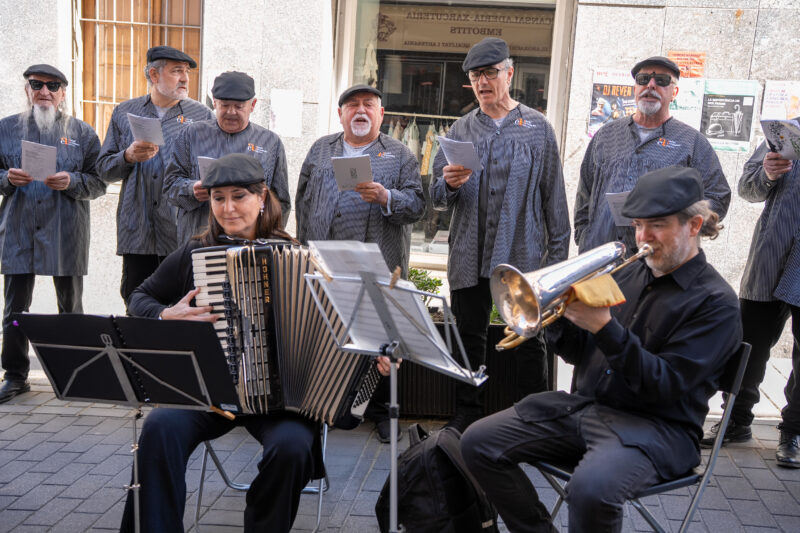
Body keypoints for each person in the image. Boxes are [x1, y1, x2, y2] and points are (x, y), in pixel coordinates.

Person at [461, 166, 742, 533]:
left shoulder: (716, 302)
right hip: (590, 410)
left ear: (694, 225)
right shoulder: (627, 274)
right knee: (477, 441)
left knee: (591, 490)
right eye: (638, 225)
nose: (644, 237)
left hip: (658, 429)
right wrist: (557, 315)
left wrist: (605, 327)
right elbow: (583, 354)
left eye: (657, 225)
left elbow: (667, 386)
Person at [120, 153, 384, 532]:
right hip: (211, 391)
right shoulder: (196, 253)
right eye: (218, 197)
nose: (227, 208)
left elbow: (348, 328)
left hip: (282, 400)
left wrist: (374, 358)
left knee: (292, 448)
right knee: (159, 427)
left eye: (238, 196)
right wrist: (166, 314)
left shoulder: (301, 257)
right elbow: (139, 296)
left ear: (262, 198)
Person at [430, 37, 570, 432]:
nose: (483, 81)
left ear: (510, 73)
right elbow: (438, 200)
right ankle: (467, 413)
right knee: (468, 339)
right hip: (469, 254)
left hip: (520, 256)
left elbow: (554, 201)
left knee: (528, 340)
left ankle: (534, 418)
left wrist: (554, 268)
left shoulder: (538, 129)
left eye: (491, 72)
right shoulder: (460, 128)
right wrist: (449, 184)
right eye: (476, 75)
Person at [296, 84, 424, 442]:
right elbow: (303, 200)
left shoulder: (399, 154)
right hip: (325, 262)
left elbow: (417, 205)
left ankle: (383, 413)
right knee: (325, 333)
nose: (360, 110)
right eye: (352, 105)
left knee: (382, 337)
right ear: (341, 115)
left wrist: (387, 196)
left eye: (369, 104)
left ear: (381, 114)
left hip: (378, 262)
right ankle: (326, 404)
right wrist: (303, 250)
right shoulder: (322, 149)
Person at [0, 64, 106, 404]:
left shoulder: (83, 133)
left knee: (70, 309)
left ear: (64, 93)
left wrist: (72, 181)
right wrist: (6, 179)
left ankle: (76, 374)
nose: (44, 91)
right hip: (19, 229)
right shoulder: (5, 130)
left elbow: (99, 181)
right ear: (27, 90)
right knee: (16, 311)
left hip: (66, 228)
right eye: (37, 84)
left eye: (53, 85)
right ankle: (15, 375)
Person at [701, 139, 800, 468]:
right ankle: (736, 419)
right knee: (749, 341)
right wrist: (768, 174)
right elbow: (747, 188)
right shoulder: (785, 134)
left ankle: (793, 431)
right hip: (773, 249)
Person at [575, 56, 731, 256]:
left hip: (658, 262)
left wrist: (676, 216)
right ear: (635, 88)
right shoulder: (606, 135)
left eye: (662, 81)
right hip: (600, 257)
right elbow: (584, 193)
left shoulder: (691, 142)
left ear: (674, 92)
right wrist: (584, 236)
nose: (651, 85)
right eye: (643, 79)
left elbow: (718, 197)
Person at [96, 45, 213, 303]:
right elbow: (103, 170)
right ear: (154, 74)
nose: (184, 78)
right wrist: (127, 156)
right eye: (177, 71)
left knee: (182, 306)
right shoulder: (124, 112)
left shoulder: (203, 116)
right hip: (137, 231)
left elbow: (210, 168)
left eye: (187, 72)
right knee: (136, 303)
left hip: (180, 233)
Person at [163, 71, 290, 246]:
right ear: (214, 102)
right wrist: (191, 189)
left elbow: (280, 201)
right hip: (200, 241)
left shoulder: (270, 143)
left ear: (252, 105)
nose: (231, 112)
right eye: (224, 105)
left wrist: (267, 240)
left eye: (239, 107)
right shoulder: (191, 135)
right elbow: (169, 187)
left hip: (250, 246)